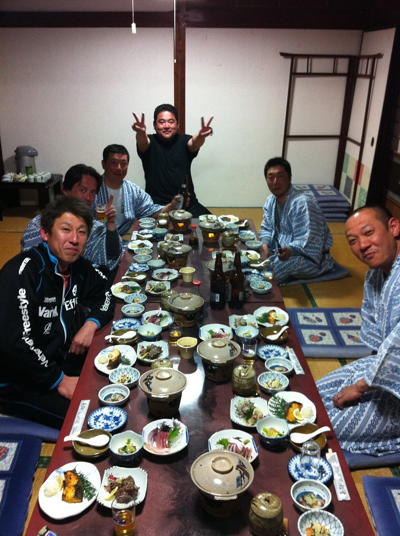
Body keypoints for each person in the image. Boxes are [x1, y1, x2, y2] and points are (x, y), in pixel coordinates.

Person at [0, 196, 114, 429]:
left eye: (81, 232)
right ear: (45, 233)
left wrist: (90, 324)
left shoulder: (77, 267)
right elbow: (15, 343)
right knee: (91, 419)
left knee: (113, 377)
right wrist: (60, 381)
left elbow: (106, 293)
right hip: (16, 379)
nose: (74, 239)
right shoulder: (22, 273)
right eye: (66, 230)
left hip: (55, 360)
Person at [317, 206, 400, 455]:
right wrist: (362, 379)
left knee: (321, 427)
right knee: (311, 397)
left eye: (369, 233)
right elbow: (379, 347)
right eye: (353, 241)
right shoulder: (375, 276)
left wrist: (361, 387)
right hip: (384, 368)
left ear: (394, 227)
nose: (362, 245)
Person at [21, 164, 122, 277]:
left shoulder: (94, 225)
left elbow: (112, 255)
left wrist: (110, 222)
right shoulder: (39, 223)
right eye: (82, 190)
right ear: (65, 189)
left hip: (85, 280)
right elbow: (30, 263)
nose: (88, 198)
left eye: (93, 192)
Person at [259, 157, 334, 285]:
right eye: (271, 177)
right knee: (253, 253)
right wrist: (264, 246)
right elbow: (266, 227)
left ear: (289, 178)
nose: (275, 182)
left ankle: (262, 285)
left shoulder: (303, 203)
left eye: (280, 177)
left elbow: (309, 239)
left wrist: (290, 250)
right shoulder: (270, 201)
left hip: (308, 258)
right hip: (279, 250)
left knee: (270, 273)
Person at [132, 104, 213, 217]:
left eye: (171, 121)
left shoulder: (184, 141)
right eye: (161, 122)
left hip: (187, 204)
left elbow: (194, 143)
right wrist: (140, 132)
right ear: (154, 125)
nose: (166, 126)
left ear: (177, 124)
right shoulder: (149, 142)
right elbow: (142, 142)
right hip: (157, 207)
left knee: (214, 224)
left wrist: (201, 136)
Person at [95, 143, 179, 238]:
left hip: (125, 240)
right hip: (97, 240)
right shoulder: (92, 189)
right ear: (104, 164)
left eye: (123, 164)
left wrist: (172, 206)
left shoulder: (132, 190)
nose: (119, 168)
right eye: (114, 163)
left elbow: (151, 212)